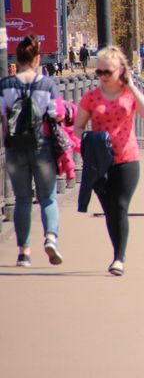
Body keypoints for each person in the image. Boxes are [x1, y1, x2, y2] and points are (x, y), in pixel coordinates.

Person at [74, 46, 144, 276]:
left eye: (107, 72)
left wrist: (131, 84)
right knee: (110, 211)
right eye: (98, 72)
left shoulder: (129, 94)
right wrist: (90, 137)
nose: (102, 77)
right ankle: (118, 252)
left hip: (127, 159)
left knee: (120, 206)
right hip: (101, 162)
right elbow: (78, 127)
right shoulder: (91, 98)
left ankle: (118, 258)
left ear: (119, 70)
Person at [0, 35, 62, 267]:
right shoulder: (47, 84)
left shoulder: (5, 85)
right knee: (47, 197)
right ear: (37, 59)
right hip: (42, 146)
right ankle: (50, 238)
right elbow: (57, 114)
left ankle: (24, 252)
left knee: (22, 199)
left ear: (17, 58)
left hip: (15, 148)